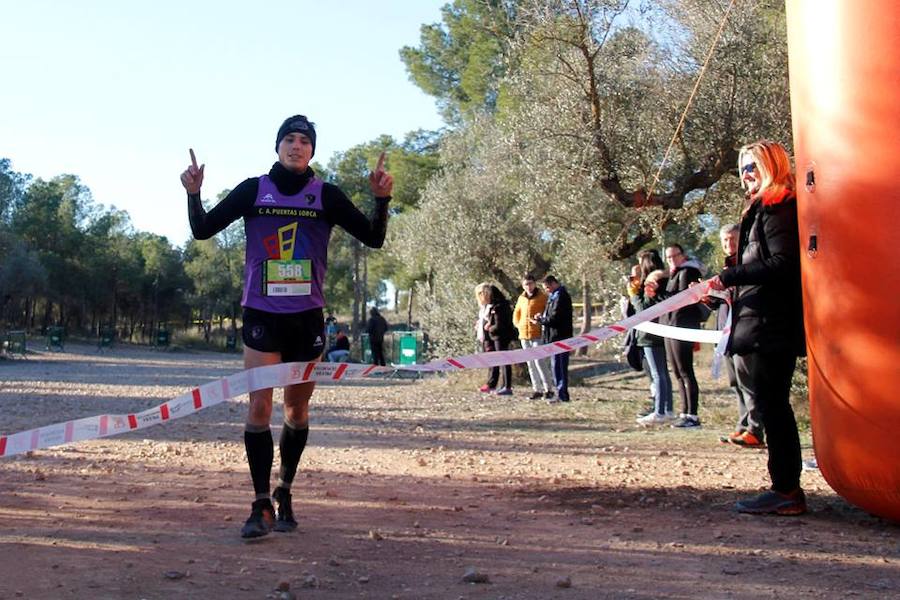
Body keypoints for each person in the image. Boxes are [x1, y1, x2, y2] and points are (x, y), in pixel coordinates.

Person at [180, 114, 393, 537]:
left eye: (304, 141)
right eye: (289, 140)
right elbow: (203, 231)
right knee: (259, 407)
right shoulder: (253, 190)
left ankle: (285, 490)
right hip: (261, 315)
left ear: (312, 150)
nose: (296, 146)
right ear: (277, 147)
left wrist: (380, 200)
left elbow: (373, 238)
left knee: (296, 409)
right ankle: (259, 504)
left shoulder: (326, 195)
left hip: (306, 319)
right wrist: (194, 193)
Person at [709, 140, 806, 515]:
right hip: (757, 322)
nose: (746, 174)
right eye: (742, 168)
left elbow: (783, 263)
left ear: (772, 166)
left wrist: (731, 274)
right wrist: (725, 289)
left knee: (773, 407)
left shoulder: (778, 206)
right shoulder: (760, 210)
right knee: (768, 406)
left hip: (771, 326)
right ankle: (783, 487)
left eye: (753, 166)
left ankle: (786, 490)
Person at [715, 224, 765, 448]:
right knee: (736, 383)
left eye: (732, 240)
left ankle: (756, 429)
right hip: (727, 335)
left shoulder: (747, 265)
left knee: (749, 382)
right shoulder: (727, 268)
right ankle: (743, 426)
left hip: (745, 333)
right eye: (725, 241)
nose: (729, 245)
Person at [657, 244, 706, 428]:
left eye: (674, 256)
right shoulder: (673, 274)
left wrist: (660, 292)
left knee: (686, 371)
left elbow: (681, 298)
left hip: (682, 326)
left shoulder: (688, 272)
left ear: (683, 255)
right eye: (668, 257)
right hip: (669, 327)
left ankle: (692, 415)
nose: (671, 260)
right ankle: (685, 412)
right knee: (677, 372)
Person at [629, 250, 674, 425]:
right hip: (662, 332)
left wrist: (634, 295)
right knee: (664, 374)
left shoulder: (651, 282)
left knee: (658, 374)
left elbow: (643, 310)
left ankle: (660, 411)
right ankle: (668, 409)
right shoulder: (663, 280)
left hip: (649, 335)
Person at [513, 273, 553, 400]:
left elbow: (548, 312)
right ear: (523, 286)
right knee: (530, 363)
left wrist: (540, 321)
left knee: (540, 361)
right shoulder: (521, 298)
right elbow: (516, 314)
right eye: (526, 284)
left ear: (534, 283)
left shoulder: (542, 297)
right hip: (524, 335)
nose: (528, 286)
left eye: (530, 283)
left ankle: (548, 389)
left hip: (538, 334)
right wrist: (519, 325)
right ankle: (537, 389)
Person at [534, 275, 572, 403]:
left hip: (560, 337)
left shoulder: (561, 296)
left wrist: (541, 320)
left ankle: (562, 396)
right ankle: (560, 394)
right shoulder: (554, 296)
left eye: (548, 287)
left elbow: (555, 318)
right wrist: (542, 317)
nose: (547, 290)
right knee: (555, 367)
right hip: (554, 337)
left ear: (554, 283)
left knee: (560, 367)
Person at [485, 284, 515, 396]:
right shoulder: (499, 305)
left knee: (504, 362)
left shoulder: (499, 307)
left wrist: (490, 328)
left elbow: (499, 325)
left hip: (500, 337)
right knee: (503, 361)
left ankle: (507, 386)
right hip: (499, 337)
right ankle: (504, 385)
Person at [474, 283, 497, 393]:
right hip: (483, 336)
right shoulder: (483, 307)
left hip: (490, 336)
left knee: (493, 360)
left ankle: (492, 383)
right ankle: (489, 381)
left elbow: (492, 320)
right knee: (489, 360)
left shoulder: (492, 306)